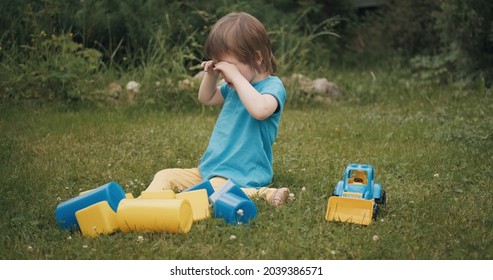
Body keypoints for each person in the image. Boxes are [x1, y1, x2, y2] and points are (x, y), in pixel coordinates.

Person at [145, 12, 289, 207]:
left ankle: (264, 193)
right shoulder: (234, 87)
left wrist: (236, 77)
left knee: (211, 191)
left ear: (257, 58)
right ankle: (146, 203)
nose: (226, 73)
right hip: (210, 169)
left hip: (243, 173)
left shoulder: (272, 87)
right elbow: (206, 98)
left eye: (230, 66)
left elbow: (260, 110)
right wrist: (212, 75)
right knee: (165, 176)